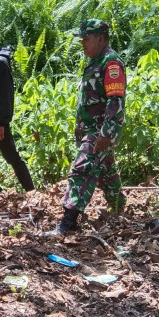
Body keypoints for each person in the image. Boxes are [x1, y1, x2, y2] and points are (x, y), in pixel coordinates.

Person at [47, 18, 126, 235]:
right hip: (92, 130)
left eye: (86, 39)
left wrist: (106, 134)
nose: (82, 43)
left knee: (81, 171)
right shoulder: (95, 61)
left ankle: (68, 222)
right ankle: (119, 206)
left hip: (100, 132)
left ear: (100, 39)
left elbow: (116, 101)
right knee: (106, 171)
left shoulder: (111, 63)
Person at [0, 19, 35, 202]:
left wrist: (1, 122)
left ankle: (32, 192)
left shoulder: (0, 62)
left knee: (11, 156)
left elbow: (6, 94)